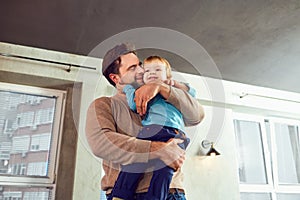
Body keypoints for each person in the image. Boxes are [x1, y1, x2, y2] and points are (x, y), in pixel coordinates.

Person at [85, 43, 205, 200]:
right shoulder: (104, 105)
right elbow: (101, 143)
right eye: (132, 68)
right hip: (129, 196)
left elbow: (197, 115)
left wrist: (162, 88)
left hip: (172, 193)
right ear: (116, 78)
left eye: (140, 65)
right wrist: (157, 149)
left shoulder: (163, 96)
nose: (141, 71)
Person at [111, 55, 197, 200]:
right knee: (136, 160)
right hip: (151, 129)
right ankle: (121, 194)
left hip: (175, 133)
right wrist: (129, 89)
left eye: (157, 70)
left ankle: (156, 197)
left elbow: (192, 93)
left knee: (165, 169)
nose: (152, 73)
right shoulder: (142, 90)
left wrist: (174, 84)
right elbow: (133, 104)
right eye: (147, 71)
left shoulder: (172, 90)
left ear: (167, 75)